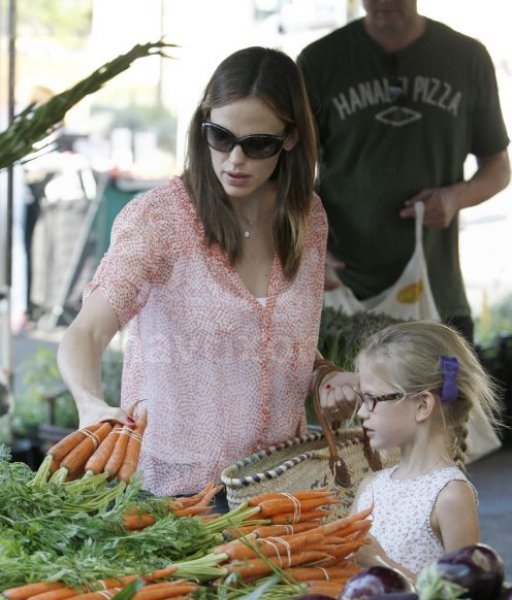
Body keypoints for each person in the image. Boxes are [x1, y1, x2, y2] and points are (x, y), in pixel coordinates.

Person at [56, 46, 356, 504]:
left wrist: (323, 376)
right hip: (174, 494)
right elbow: (88, 330)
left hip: (280, 487)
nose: (235, 159)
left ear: (291, 139)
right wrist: (89, 402)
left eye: (257, 144)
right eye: (220, 136)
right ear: (203, 126)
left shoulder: (307, 216)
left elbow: (274, 333)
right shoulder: (160, 220)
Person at [296, 0, 511, 343]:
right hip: (343, 295)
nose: (382, 2)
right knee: (345, 395)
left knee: (447, 395)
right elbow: (289, 172)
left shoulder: (466, 57)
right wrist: (306, 241)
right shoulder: (319, 61)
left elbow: (498, 166)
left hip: (436, 291)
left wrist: (454, 197)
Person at [349, 320, 503, 580]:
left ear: (422, 405)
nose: (362, 412)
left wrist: (381, 563)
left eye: (371, 399)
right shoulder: (369, 487)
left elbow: (462, 593)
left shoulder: (450, 496)